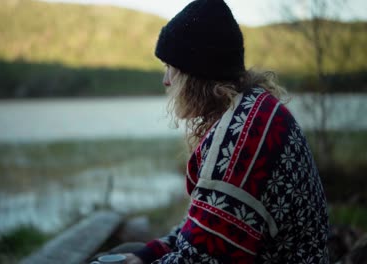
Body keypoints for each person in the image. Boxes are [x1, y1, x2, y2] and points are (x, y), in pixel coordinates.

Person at [122, 0, 329, 263]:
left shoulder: (241, 139)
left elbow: (200, 258)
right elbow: (201, 230)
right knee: (127, 253)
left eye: (171, 68)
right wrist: (144, 256)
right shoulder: (251, 110)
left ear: (195, 73)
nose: (166, 80)